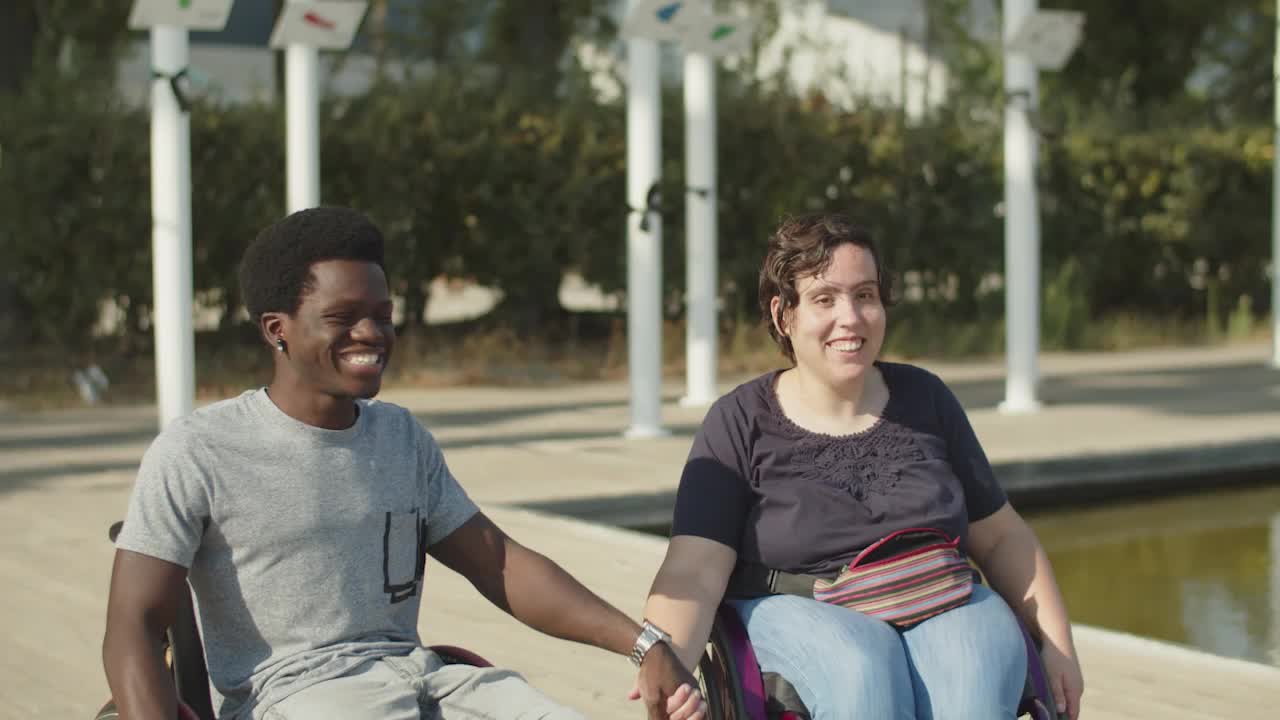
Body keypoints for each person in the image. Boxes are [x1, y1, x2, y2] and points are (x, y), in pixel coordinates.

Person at [102, 207, 705, 720]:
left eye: (382, 315)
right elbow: (133, 626)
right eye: (342, 319)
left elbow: (500, 564)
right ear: (276, 330)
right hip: (299, 696)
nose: (372, 333)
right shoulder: (198, 451)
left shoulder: (401, 438)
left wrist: (643, 643)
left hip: (428, 682)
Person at [639, 213, 1084, 720]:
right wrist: (665, 659)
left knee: (972, 677)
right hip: (804, 610)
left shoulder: (927, 398)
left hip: (941, 598)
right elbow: (694, 570)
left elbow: (1003, 537)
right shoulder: (739, 422)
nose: (850, 317)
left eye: (865, 295)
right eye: (825, 299)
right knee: (863, 668)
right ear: (784, 314)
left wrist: (1059, 646)